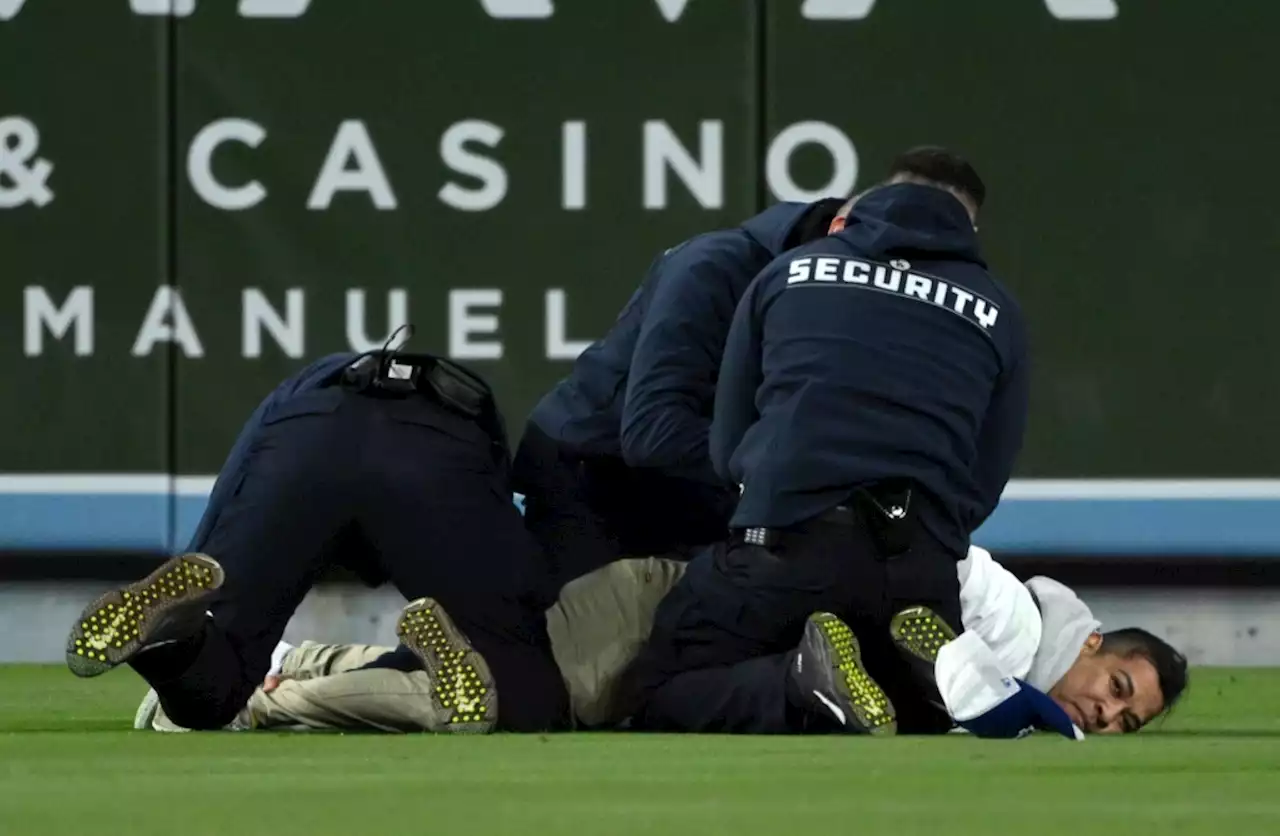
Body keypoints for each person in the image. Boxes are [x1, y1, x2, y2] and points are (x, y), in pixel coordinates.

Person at [624, 146, 1031, 736]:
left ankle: (799, 682)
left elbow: (730, 443)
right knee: (905, 717)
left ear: (865, 203)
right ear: (968, 226)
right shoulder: (1001, 312)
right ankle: (918, 679)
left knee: (656, 690)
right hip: (917, 568)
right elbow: (985, 479)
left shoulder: (786, 273)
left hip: (787, 546)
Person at [132, 548, 1187, 738]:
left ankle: (297, 665)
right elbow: (949, 656)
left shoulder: (1012, 640)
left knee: (489, 693)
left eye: (1123, 716)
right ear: (1091, 638)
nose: (1105, 705)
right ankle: (245, 696)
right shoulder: (1005, 614)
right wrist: (1054, 724)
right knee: (485, 709)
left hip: (673, 614)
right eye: (1116, 681)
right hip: (658, 608)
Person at [65, 344, 569, 734]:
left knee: (212, 693)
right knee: (523, 692)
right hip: (438, 444)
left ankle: (176, 636)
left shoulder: (292, 402)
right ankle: (418, 667)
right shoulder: (477, 425)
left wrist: (219, 602)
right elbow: (512, 549)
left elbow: (235, 490)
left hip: (302, 437)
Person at [513, 196, 852, 591]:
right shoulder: (712, 266)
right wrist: (782, 469)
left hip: (683, 488)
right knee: (591, 642)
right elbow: (652, 433)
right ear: (836, 236)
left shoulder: (828, 295)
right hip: (590, 477)